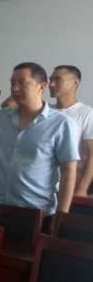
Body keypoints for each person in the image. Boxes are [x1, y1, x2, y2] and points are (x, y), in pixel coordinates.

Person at [0, 62, 80, 217]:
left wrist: (61, 216)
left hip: (36, 213)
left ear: (42, 86)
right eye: (12, 83)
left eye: (22, 83)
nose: (15, 89)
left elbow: (68, 172)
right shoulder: (1, 117)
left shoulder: (61, 123)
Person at [49, 65, 93, 197]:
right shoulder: (45, 111)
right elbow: (10, 106)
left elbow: (92, 155)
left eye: (57, 79)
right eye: (50, 80)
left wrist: (82, 190)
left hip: (70, 188)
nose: (51, 84)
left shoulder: (86, 113)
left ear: (75, 83)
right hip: (43, 189)